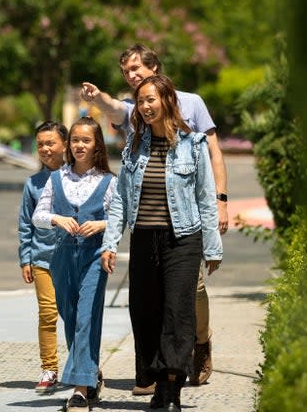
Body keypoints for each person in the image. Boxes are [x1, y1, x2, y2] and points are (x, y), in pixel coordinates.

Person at [81, 44, 227, 392]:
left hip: (184, 228)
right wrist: (98, 97)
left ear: (155, 68)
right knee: (146, 307)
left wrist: (220, 206)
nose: (131, 76)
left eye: (135, 68)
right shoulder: (133, 124)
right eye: (126, 72)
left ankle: (193, 351)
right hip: (147, 231)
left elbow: (212, 160)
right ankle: (152, 376)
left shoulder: (192, 111)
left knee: (184, 301)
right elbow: (121, 195)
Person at [32, 116, 117, 412]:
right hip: (63, 256)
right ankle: (91, 375)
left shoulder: (108, 181)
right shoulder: (57, 178)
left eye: (86, 140)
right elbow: (38, 217)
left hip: (95, 255)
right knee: (70, 318)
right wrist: (56, 218)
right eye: (75, 140)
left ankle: (79, 391)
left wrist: (102, 225)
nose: (79, 145)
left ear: (97, 146)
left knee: (86, 318)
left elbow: (121, 219)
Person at [17, 120, 68, 394]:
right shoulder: (33, 183)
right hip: (42, 260)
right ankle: (49, 369)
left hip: (73, 259)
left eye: (51, 143)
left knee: (74, 315)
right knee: (48, 314)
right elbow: (26, 223)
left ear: (65, 144)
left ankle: (83, 366)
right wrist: (26, 258)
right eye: (41, 145)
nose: (46, 149)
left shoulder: (77, 178)